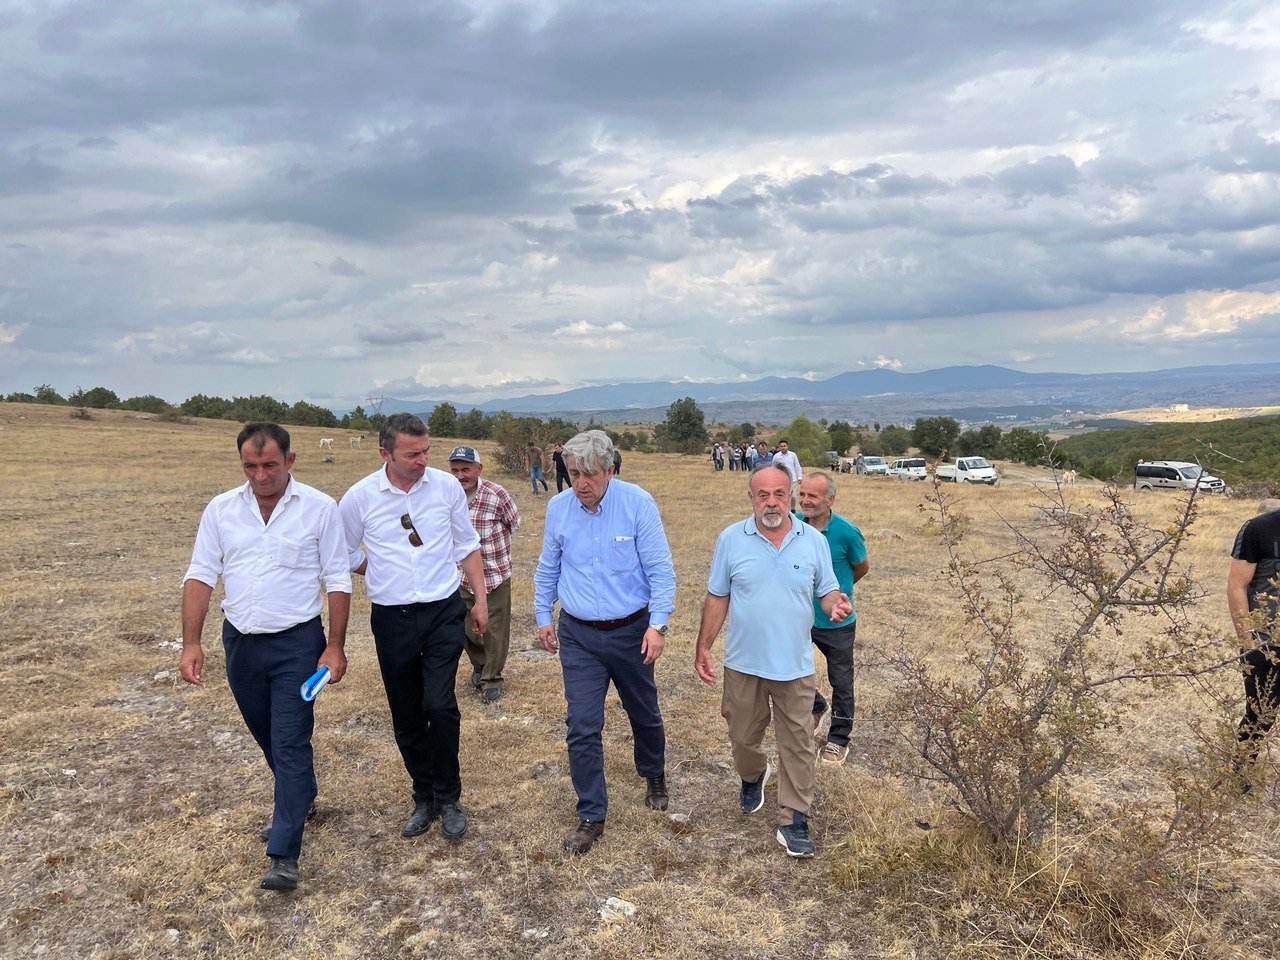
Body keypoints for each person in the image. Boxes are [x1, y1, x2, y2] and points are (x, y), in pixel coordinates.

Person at [180, 422, 351, 893]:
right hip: (240, 644)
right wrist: (190, 643)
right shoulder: (221, 510)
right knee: (268, 736)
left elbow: (338, 579)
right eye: (250, 466)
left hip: (297, 645)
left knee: (291, 740)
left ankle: (284, 852)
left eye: (270, 465)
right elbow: (200, 575)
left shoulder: (319, 508)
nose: (260, 475)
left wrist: (334, 647)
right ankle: (302, 800)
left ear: (290, 461)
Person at [339, 413, 487, 842]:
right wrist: (382, 570)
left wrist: (479, 600)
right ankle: (424, 797)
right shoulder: (359, 498)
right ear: (385, 453)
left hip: (443, 611)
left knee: (439, 705)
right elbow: (345, 553)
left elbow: (467, 545)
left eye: (426, 451)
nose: (423, 460)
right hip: (392, 618)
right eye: (412, 454)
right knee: (405, 712)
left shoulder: (445, 488)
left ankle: (450, 796)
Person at [693, 465, 851, 858]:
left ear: (791, 495)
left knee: (797, 742)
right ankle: (753, 774)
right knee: (742, 736)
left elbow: (827, 589)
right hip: (743, 663)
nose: (772, 503)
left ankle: (794, 818)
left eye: (779, 494)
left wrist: (835, 604)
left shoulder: (812, 540)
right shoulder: (731, 539)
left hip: (795, 666)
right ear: (751, 498)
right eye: (762, 495)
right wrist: (704, 647)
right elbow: (717, 597)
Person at [534, 429, 676, 855]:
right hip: (577, 636)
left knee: (643, 713)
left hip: (633, 633)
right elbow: (547, 569)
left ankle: (653, 773)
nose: (581, 483)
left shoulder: (637, 504)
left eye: (590, 474)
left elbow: (661, 572)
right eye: (574, 473)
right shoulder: (558, 508)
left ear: (610, 470)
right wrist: (544, 615)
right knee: (581, 726)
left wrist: (658, 625)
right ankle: (591, 814)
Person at [797, 472, 870, 765]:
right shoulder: (795, 525)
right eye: (802, 494)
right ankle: (816, 705)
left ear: (830, 500)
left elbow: (861, 567)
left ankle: (839, 739)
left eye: (812, 496)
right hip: (801, 617)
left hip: (837, 623)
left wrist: (839, 594)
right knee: (791, 669)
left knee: (841, 681)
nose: (805, 501)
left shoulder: (846, 532)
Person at [448, 445, 521, 704]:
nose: (460, 475)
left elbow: (514, 523)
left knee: (495, 630)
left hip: (494, 575)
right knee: (466, 627)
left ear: (478, 469)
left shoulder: (496, 494)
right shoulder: (446, 496)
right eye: (455, 470)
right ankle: (479, 663)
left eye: (466, 469)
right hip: (460, 577)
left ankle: (492, 678)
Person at [1228, 499, 1280, 779]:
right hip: (1265, 642)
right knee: (1261, 713)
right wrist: (1247, 640)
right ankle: (1241, 772)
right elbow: (1237, 585)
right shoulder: (1260, 529)